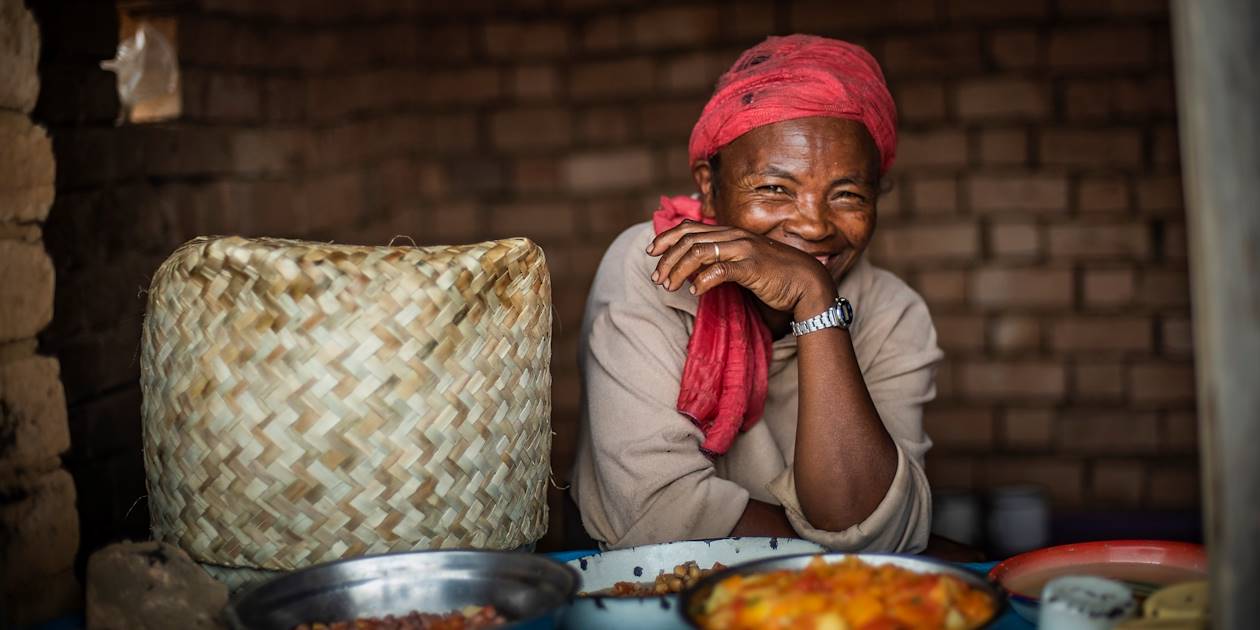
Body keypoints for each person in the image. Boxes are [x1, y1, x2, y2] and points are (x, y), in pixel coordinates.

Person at [569, 34, 942, 552]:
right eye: (774, 189)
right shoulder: (657, 265)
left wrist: (815, 301)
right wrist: (852, 552)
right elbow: (655, 515)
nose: (814, 226)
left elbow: (870, 517)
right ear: (709, 186)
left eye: (848, 194)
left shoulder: (894, 313)